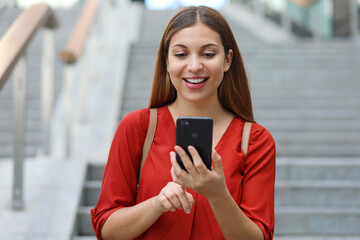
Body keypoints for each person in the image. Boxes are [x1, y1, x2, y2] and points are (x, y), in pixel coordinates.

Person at [91, 5, 275, 240]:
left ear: (227, 60)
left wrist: (219, 196)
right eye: (181, 54)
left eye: (208, 54)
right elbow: (106, 229)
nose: (195, 66)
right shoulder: (137, 127)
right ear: (166, 61)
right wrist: (158, 204)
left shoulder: (256, 140)